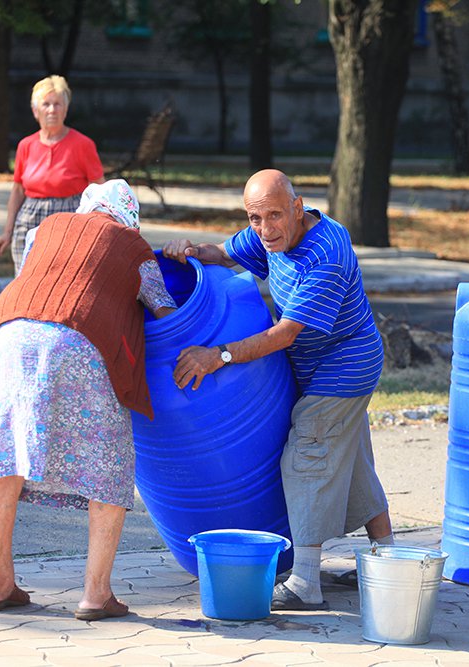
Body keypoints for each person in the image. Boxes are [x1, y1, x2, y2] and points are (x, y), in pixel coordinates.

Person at [162, 169, 394, 611]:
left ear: (297, 206)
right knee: (352, 458)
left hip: (344, 365)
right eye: (254, 218)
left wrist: (219, 355)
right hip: (315, 364)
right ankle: (389, 560)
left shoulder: (325, 251)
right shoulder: (270, 232)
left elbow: (285, 333)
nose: (265, 230)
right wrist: (188, 252)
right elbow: (221, 253)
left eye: (273, 216)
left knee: (307, 450)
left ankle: (306, 580)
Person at [0, 179, 177, 619]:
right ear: (129, 219)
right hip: (80, 341)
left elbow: (37, 279)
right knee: (109, 462)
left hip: (7, 336)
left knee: (3, 455)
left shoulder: (45, 229)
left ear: (88, 207)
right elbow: (166, 312)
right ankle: (95, 594)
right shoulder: (135, 249)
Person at [0, 75, 105, 274]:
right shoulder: (26, 145)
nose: (52, 110)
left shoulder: (83, 145)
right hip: (30, 217)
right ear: (36, 111)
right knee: (26, 280)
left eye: (58, 104)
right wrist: (6, 234)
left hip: (69, 216)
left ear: (66, 110)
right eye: (46, 104)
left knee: (64, 278)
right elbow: (17, 190)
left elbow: (100, 190)